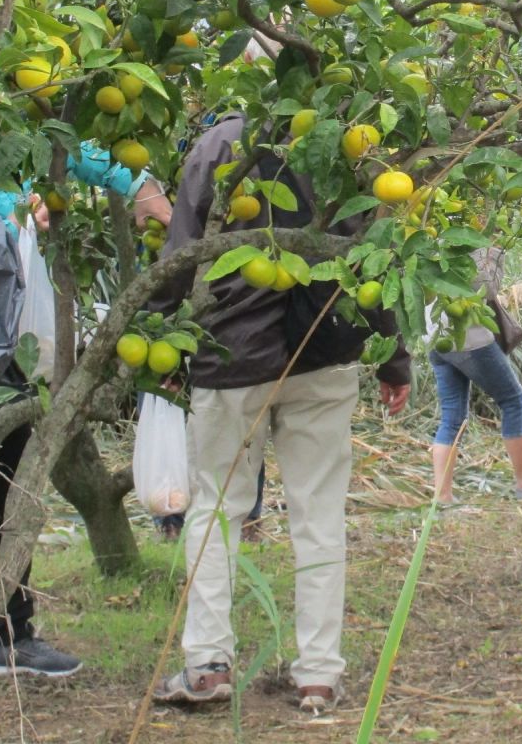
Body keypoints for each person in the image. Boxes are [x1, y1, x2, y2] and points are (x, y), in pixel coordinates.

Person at [148, 111, 410, 715]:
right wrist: (393, 354)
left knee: (216, 510)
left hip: (230, 351)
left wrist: (167, 336)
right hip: (324, 350)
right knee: (318, 514)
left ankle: (207, 664)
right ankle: (318, 675)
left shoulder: (219, 144)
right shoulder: (346, 142)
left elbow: (183, 251)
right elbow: (371, 257)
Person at [0, 141, 173, 679]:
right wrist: (11, 209)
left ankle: (10, 635)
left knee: (10, 492)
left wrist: (142, 185)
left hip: (4, 343)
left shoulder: (10, 132)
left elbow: (62, 144)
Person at [428, 246, 522, 506]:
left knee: (452, 417)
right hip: (469, 338)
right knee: (513, 400)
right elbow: (488, 287)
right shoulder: (467, 239)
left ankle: (443, 497)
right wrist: (493, 252)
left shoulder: (428, 238)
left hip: (436, 338)